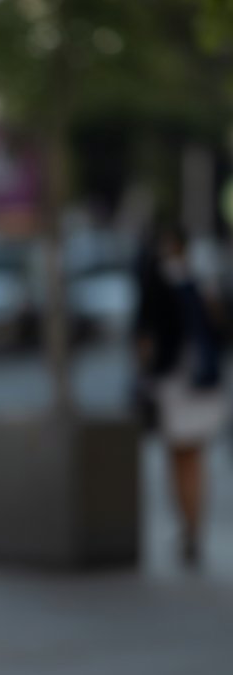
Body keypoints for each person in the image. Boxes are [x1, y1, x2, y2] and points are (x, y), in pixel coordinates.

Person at [134, 224, 229, 566]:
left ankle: (189, 527)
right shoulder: (203, 279)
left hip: (175, 381)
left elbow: (145, 334)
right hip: (202, 381)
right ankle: (193, 526)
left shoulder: (157, 279)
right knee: (194, 458)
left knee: (180, 457)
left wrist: (141, 375)